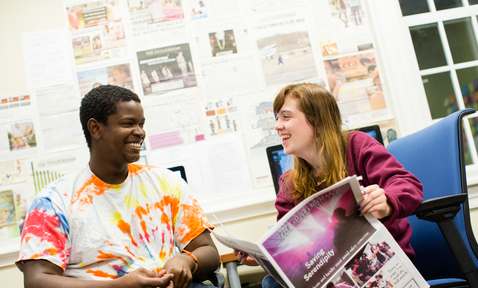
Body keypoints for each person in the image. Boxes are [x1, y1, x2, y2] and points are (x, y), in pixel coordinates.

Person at [16, 85, 220, 288]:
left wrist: (186, 261)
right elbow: (37, 281)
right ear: (95, 128)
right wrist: (119, 286)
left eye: (141, 124)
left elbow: (208, 251)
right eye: (128, 123)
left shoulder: (167, 183)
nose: (140, 132)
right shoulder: (54, 201)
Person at [235, 83, 423, 287]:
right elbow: (291, 248)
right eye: (277, 118)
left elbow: (408, 184)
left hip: (382, 265)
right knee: (271, 283)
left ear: (317, 120)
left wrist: (386, 201)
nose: (278, 126)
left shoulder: (357, 145)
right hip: (330, 274)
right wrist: (265, 258)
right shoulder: (289, 183)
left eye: (286, 117)